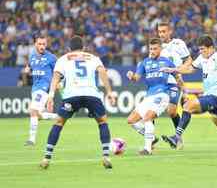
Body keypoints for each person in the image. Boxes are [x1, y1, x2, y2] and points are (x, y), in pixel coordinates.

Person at [40, 35, 116, 169]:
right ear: (84, 48)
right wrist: (109, 92)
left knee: (59, 122)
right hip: (91, 94)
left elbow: (55, 78)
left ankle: (46, 158)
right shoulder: (93, 57)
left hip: (71, 95)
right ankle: (106, 156)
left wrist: (51, 96)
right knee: (102, 121)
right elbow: (102, 72)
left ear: (69, 49)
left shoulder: (63, 59)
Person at [126, 38, 176, 155]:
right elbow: (137, 78)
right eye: (151, 49)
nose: (152, 51)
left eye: (155, 49)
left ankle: (147, 149)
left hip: (162, 95)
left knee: (148, 118)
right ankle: (152, 138)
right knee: (131, 120)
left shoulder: (167, 61)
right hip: (149, 96)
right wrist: (131, 76)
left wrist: (184, 92)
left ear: (160, 49)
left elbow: (177, 76)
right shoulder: (145, 62)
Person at [156, 22, 192, 148]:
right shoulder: (156, 46)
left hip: (174, 80)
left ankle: (178, 138)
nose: (161, 34)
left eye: (164, 31)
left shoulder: (178, 43)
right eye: (159, 32)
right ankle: (150, 142)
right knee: (151, 111)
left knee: (171, 112)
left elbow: (189, 60)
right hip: (159, 82)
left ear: (170, 31)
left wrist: (180, 69)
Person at [24, 35, 58, 146]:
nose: (42, 46)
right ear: (35, 44)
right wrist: (27, 70)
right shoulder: (32, 56)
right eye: (39, 44)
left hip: (44, 88)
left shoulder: (51, 58)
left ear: (46, 44)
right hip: (34, 89)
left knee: (33, 110)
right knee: (37, 114)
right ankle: (57, 116)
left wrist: (56, 86)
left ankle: (31, 139)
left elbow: (59, 72)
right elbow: (29, 66)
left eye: (44, 44)